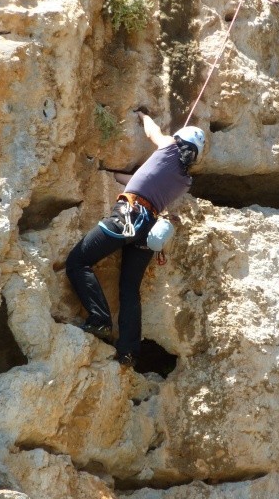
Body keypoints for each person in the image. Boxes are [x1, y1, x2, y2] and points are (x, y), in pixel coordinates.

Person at [66, 109, 205, 368]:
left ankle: (100, 320)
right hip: (147, 229)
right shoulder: (185, 181)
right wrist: (113, 175)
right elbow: (141, 180)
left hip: (127, 216)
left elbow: (153, 133)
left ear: (179, 141)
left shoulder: (168, 147)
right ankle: (129, 352)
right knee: (130, 289)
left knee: (77, 261)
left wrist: (143, 116)